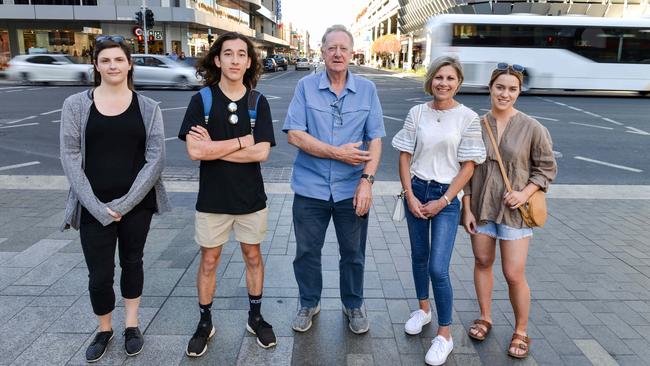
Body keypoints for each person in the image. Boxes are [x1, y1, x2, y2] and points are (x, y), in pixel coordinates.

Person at [59, 35, 169, 363]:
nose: (112, 66)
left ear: (129, 63)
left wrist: (124, 204)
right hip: (93, 204)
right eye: (105, 60)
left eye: (118, 60)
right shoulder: (76, 105)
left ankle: (132, 325)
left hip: (137, 205)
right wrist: (95, 206)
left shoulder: (148, 108)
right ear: (96, 65)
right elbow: (69, 154)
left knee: (132, 263)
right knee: (100, 273)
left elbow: (156, 158)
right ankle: (104, 328)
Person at [177, 32, 277, 356]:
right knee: (209, 261)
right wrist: (240, 142)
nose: (235, 60)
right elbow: (194, 151)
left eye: (242, 55)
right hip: (213, 200)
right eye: (228, 54)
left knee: (253, 257)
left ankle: (256, 317)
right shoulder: (202, 101)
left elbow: (261, 153)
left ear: (249, 62)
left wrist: (213, 148)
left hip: (250, 199)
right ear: (217, 60)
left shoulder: (257, 102)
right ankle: (205, 322)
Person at [283, 24, 385, 335]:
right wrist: (336, 153)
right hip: (310, 188)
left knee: (353, 253)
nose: (337, 53)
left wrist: (367, 181)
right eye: (331, 48)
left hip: (351, 190)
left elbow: (376, 139)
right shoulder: (306, 86)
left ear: (351, 53)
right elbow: (295, 136)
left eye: (343, 48)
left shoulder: (367, 89)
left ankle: (353, 304)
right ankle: (309, 302)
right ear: (323, 53)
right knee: (307, 252)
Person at [392, 56, 485, 366]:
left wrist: (445, 200)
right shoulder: (416, 112)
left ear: (458, 82)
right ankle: (423, 309)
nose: (443, 83)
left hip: (446, 198)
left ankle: (444, 334)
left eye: (450, 78)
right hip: (416, 191)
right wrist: (408, 195)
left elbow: (469, 166)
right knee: (419, 256)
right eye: (438, 77)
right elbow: (404, 156)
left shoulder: (468, 117)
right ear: (430, 79)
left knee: (437, 267)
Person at [462, 63, 557, 359]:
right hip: (480, 208)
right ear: (490, 88)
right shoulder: (475, 125)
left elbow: (546, 169)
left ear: (519, 92)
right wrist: (466, 208)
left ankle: (521, 330)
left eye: (512, 89)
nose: (505, 94)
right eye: (500, 87)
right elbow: (464, 169)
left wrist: (524, 193)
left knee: (513, 273)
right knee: (482, 261)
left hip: (514, 212)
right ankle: (485, 317)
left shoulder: (533, 128)